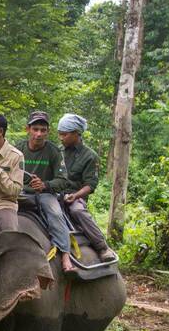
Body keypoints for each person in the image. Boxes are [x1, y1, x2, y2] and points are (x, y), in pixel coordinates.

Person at [49, 113, 118, 264]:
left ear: (76, 134)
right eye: (59, 134)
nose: (61, 138)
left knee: (77, 210)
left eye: (64, 134)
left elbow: (90, 185)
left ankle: (102, 247)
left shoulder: (90, 156)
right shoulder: (56, 151)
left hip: (73, 196)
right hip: (53, 192)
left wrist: (75, 196)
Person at [15, 110, 73, 259]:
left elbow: (63, 179)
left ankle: (65, 255)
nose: (38, 134)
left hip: (44, 195)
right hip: (17, 192)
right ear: (28, 129)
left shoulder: (53, 151)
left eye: (43, 130)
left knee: (55, 213)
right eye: (35, 129)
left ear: (48, 132)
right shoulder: (17, 149)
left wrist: (45, 185)